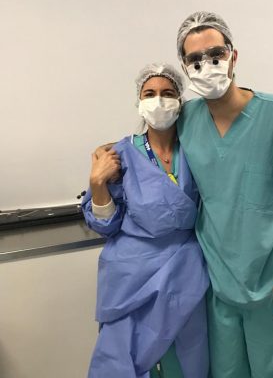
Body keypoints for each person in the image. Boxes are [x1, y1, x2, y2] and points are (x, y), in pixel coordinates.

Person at [175, 11, 273, 378]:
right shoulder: (187, 119)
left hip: (272, 281)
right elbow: (154, 151)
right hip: (218, 280)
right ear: (186, 68)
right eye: (195, 59)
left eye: (216, 54)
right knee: (226, 372)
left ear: (233, 56)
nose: (207, 64)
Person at [82, 63, 209, 378]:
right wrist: (98, 184)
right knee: (123, 358)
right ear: (139, 101)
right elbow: (106, 225)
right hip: (131, 273)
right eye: (149, 94)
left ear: (180, 101)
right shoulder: (120, 155)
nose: (159, 101)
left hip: (186, 272)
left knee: (187, 357)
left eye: (168, 93)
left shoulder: (197, 151)